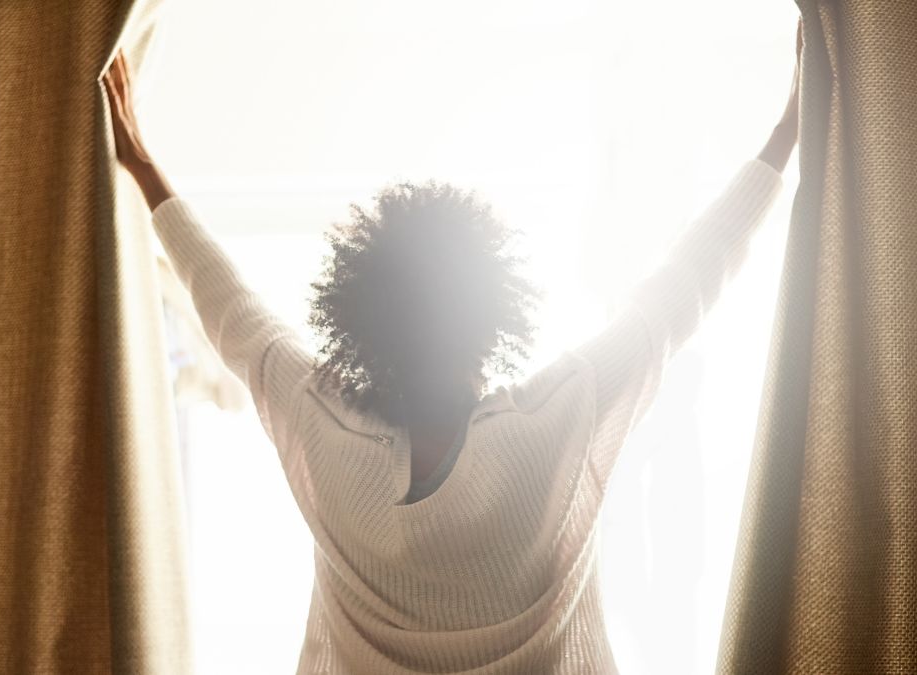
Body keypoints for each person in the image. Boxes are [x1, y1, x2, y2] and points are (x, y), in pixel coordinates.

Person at [101, 20, 800, 673]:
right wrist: (784, 138)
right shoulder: (559, 418)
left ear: (362, 327)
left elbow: (230, 307)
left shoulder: (326, 426)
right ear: (491, 320)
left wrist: (142, 167)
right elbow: (682, 290)